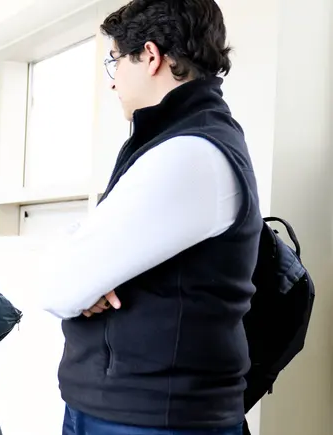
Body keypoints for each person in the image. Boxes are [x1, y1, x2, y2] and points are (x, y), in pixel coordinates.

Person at [36, 1, 262, 434]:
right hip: (137, 409)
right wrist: (87, 268)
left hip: (152, 418)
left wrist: (85, 276)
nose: (113, 80)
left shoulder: (190, 153)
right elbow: (76, 266)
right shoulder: (177, 140)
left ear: (152, 56)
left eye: (115, 60)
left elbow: (59, 285)